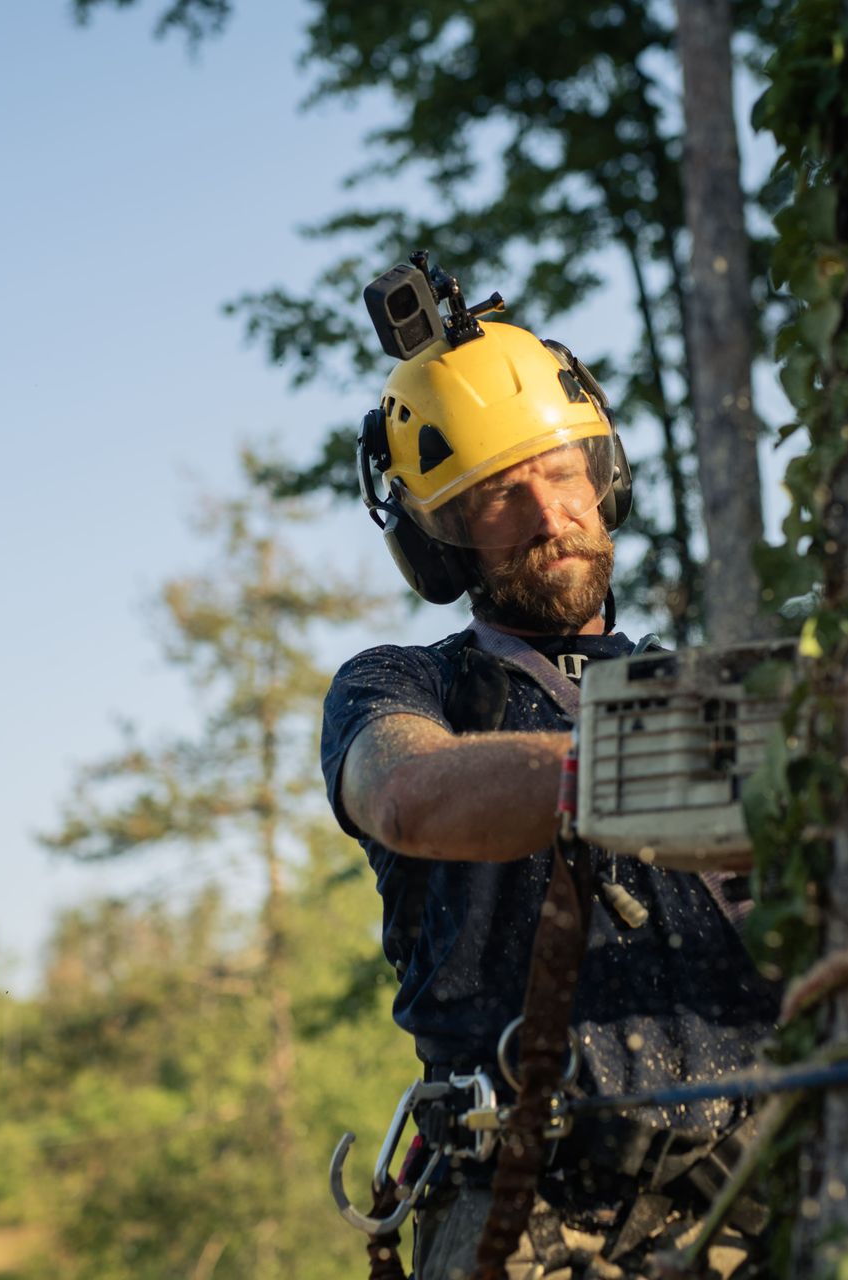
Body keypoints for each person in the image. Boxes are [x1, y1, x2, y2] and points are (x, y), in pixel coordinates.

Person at [320, 289, 780, 1279]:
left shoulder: (708, 690)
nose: (548, 515)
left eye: (562, 473)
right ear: (443, 538)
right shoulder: (407, 685)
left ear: (600, 474)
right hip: (527, 1208)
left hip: (758, 1196)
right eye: (498, 494)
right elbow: (409, 792)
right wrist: (641, 770)